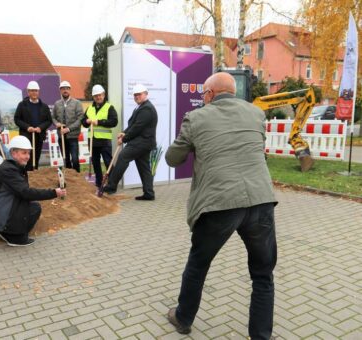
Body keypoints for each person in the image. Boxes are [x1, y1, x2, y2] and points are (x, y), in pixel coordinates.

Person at [165, 72, 277, 339]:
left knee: (198, 264)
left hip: (219, 204)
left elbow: (172, 158)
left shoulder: (196, 118)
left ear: (210, 94)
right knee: (263, 274)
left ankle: (183, 318)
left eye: (203, 95)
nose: (203, 99)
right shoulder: (256, 114)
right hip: (261, 201)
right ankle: (261, 335)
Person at [0, 136, 66, 246]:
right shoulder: (9, 169)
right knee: (32, 208)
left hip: (2, 209)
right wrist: (54, 193)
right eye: (24, 153)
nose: (27, 156)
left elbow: (22, 192)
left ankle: (5, 229)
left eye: (28, 153)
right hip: (0, 212)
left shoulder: (14, 167)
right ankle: (12, 237)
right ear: (13, 153)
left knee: (33, 207)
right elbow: (26, 193)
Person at [103, 84, 157, 200]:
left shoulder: (147, 108)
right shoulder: (141, 107)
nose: (137, 96)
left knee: (123, 156)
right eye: (135, 95)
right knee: (144, 167)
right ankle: (149, 193)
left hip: (142, 142)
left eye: (139, 94)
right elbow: (133, 125)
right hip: (143, 143)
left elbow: (138, 127)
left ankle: (111, 187)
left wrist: (124, 139)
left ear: (146, 94)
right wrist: (124, 132)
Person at [81, 84, 118, 188]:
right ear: (93, 97)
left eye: (100, 95)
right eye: (96, 95)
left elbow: (114, 121)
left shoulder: (109, 107)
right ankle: (98, 182)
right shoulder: (89, 108)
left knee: (108, 162)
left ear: (104, 95)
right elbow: (83, 122)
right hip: (92, 140)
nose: (98, 97)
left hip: (104, 141)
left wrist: (100, 122)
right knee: (96, 163)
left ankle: (112, 183)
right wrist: (87, 121)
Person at [14, 81, 52, 171]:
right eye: (32, 91)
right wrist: (27, 127)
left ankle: (34, 175)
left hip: (39, 136)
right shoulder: (22, 105)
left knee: (36, 156)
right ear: (28, 92)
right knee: (26, 158)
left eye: (36, 91)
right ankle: (26, 175)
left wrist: (40, 128)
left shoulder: (44, 106)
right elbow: (17, 119)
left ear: (38, 92)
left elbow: (49, 121)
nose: (34, 93)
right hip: (26, 137)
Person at [51, 81, 84, 172]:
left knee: (75, 159)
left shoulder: (77, 103)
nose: (65, 90)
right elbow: (53, 117)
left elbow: (80, 118)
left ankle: (77, 178)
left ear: (70, 90)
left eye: (67, 88)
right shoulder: (57, 104)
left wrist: (68, 129)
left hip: (73, 136)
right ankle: (69, 179)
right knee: (66, 159)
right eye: (63, 89)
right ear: (60, 90)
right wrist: (56, 123)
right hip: (61, 136)